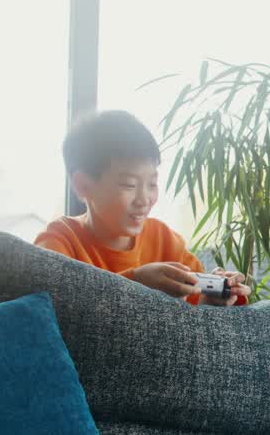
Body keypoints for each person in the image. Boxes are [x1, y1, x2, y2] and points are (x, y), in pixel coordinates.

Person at [35, 110, 250, 307]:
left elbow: (194, 321)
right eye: (129, 185)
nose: (144, 199)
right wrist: (136, 283)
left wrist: (211, 301)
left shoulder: (164, 239)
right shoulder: (61, 239)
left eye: (152, 184)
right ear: (83, 185)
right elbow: (54, 306)